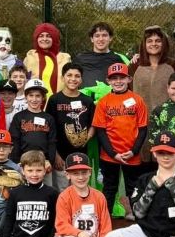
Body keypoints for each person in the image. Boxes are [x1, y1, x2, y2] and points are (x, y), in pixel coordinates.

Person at [92, 62, 148, 216]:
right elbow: (100, 131)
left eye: (121, 77)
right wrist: (113, 154)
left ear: (129, 79)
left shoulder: (137, 100)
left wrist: (134, 151)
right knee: (109, 187)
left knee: (133, 188)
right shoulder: (103, 102)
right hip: (109, 155)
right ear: (108, 81)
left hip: (132, 154)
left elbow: (143, 129)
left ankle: (138, 219)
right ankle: (105, 220)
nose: (118, 81)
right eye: (114, 78)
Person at [53, 152, 112, 237]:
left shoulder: (99, 197)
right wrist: (82, 234)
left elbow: (105, 229)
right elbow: (61, 225)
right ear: (67, 175)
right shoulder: (64, 197)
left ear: (90, 172)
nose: (80, 177)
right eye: (75, 173)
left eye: (84, 172)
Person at [0, 150, 58, 237]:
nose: (34, 174)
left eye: (38, 170)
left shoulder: (52, 193)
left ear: (45, 170)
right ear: (23, 171)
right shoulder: (16, 193)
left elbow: (56, 222)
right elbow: (9, 219)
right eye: (30, 170)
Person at [130, 25, 175, 167]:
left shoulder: (173, 64)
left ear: (164, 43)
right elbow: (127, 93)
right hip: (141, 122)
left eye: (158, 41)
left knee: (164, 159)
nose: (154, 44)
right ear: (144, 44)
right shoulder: (135, 65)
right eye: (149, 41)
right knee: (143, 162)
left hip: (167, 121)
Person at [45, 63, 95, 192]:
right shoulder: (54, 100)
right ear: (63, 78)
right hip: (60, 156)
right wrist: (55, 155)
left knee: (79, 188)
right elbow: (49, 129)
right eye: (69, 75)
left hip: (81, 155)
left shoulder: (87, 101)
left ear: (81, 79)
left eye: (77, 76)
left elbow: (94, 124)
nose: (73, 79)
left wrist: (88, 136)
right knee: (61, 189)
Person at [9, 78, 56, 176]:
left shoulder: (49, 118)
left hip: (43, 164)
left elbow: (52, 142)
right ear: (26, 97)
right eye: (31, 95)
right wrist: (16, 162)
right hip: (23, 164)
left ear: (43, 98)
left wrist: (50, 161)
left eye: (38, 96)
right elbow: (14, 141)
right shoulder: (19, 117)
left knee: (45, 186)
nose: (34, 99)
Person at [23, 22, 72, 98]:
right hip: (35, 102)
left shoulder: (65, 58)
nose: (44, 39)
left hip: (60, 101)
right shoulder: (30, 57)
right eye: (41, 36)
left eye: (48, 36)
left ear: (54, 38)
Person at [73, 21, 127, 90]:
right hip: (85, 96)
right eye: (97, 36)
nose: (101, 39)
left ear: (110, 38)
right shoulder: (80, 59)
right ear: (92, 39)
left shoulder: (118, 59)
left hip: (111, 96)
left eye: (104, 35)